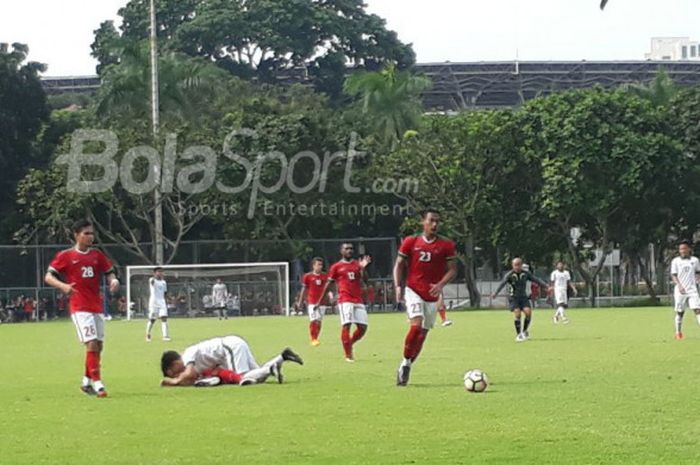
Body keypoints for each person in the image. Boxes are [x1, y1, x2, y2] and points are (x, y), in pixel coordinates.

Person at [44, 219, 120, 398]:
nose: (90, 236)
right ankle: (98, 383)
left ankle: (86, 381)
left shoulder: (96, 255)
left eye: (92, 233)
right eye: (86, 233)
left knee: (98, 346)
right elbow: (48, 277)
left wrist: (113, 281)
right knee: (91, 343)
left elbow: (109, 272)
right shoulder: (66, 256)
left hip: (96, 306)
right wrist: (63, 286)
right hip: (79, 306)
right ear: (76, 235)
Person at [394, 209, 458, 386]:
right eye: (431, 221)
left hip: (431, 295)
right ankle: (405, 363)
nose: (435, 224)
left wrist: (440, 285)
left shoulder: (446, 245)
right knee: (416, 326)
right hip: (413, 290)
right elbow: (398, 265)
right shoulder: (411, 241)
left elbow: (453, 269)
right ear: (423, 222)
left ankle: (407, 364)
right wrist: (398, 286)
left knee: (422, 334)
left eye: (437, 221)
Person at [160, 336, 304, 387]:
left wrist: (173, 382)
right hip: (233, 345)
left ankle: (270, 369)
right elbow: (190, 379)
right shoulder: (190, 361)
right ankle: (282, 357)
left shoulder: (187, 355)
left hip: (229, 347)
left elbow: (189, 374)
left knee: (243, 377)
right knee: (256, 377)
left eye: (173, 373)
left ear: (174, 363)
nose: (177, 375)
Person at [319, 243, 372, 362]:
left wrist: (363, 267)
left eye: (351, 249)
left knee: (363, 328)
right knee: (346, 325)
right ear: (341, 251)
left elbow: (365, 280)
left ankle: (349, 343)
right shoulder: (336, 267)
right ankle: (348, 355)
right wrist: (321, 299)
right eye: (346, 249)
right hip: (344, 299)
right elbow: (329, 283)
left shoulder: (357, 264)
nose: (349, 250)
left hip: (358, 299)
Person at [491, 258, 549, 342]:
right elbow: (502, 283)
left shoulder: (525, 274)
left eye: (519, 265)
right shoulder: (509, 275)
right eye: (515, 265)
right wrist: (495, 293)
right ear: (512, 265)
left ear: (521, 265)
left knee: (528, 312)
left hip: (523, 297)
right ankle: (518, 335)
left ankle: (525, 331)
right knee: (518, 314)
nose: (517, 267)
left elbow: (536, 279)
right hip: (513, 298)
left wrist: (546, 286)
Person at [296, 257, 329, 346]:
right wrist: (300, 301)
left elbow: (328, 288)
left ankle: (316, 337)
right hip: (312, 302)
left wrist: (332, 295)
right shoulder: (307, 276)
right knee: (313, 320)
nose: (320, 266)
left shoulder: (325, 276)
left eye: (321, 265)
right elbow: (304, 289)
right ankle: (313, 339)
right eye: (318, 264)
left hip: (322, 302)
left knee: (319, 321)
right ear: (313, 266)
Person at [671, 240, 700, 340]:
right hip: (680, 291)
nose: (682, 251)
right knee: (680, 312)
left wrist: (698, 279)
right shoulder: (675, 261)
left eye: (684, 248)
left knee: (698, 310)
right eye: (681, 249)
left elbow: (697, 272)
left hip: (692, 290)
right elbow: (674, 276)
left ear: (689, 249)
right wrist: (679, 286)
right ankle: (678, 332)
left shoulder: (695, 260)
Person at [146, 267, 170, 342]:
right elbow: (152, 282)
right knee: (153, 319)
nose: (160, 273)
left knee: (164, 318)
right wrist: (154, 277)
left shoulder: (164, 282)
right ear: (155, 273)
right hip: (154, 302)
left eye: (161, 272)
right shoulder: (152, 280)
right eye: (158, 272)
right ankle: (148, 333)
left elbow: (165, 293)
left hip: (162, 302)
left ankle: (165, 336)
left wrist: (167, 301)